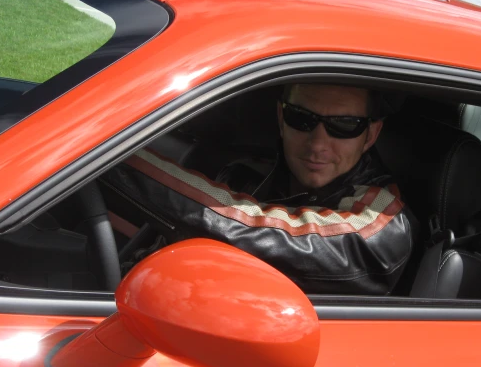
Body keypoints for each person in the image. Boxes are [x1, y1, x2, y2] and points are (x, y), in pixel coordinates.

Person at [103, 83, 416, 295]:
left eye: (344, 125)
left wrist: (103, 153)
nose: (318, 144)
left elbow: (256, 227)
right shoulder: (247, 174)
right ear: (281, 118)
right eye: (301, 119)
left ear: (371, 135)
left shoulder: (382, 222)